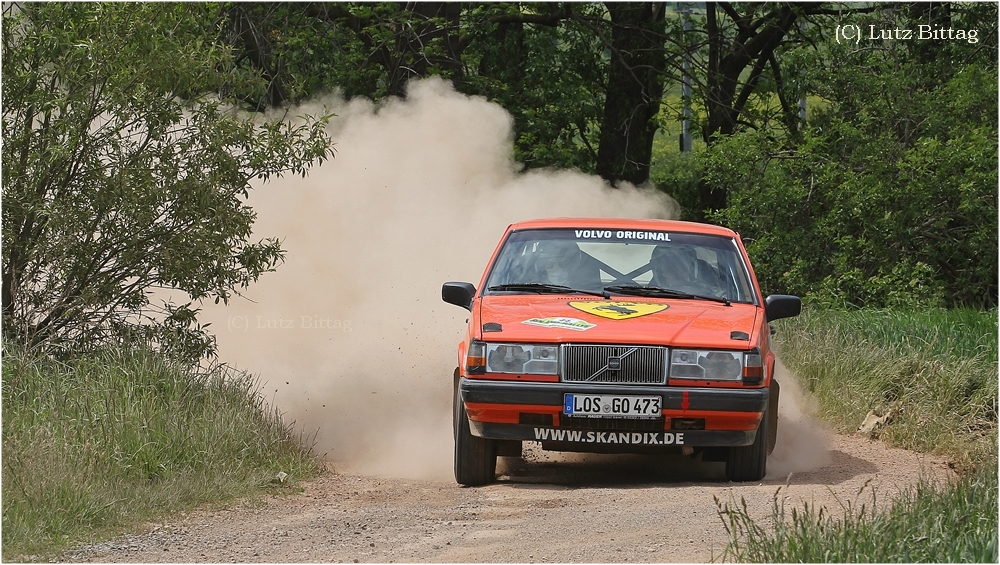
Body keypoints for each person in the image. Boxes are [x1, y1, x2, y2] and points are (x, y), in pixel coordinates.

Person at [649, 244, 724, 296]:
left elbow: (722, 294)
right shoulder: (655, 286)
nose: (675, 269)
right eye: (669, 265)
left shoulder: (706, 272)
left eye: (679, 262)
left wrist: (702, 287)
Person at [531, 239, 601, 289]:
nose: (556, 271)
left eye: (563, 264)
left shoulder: (590, 289)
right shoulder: (528, 288)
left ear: (573, 265)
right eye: (549, 264)